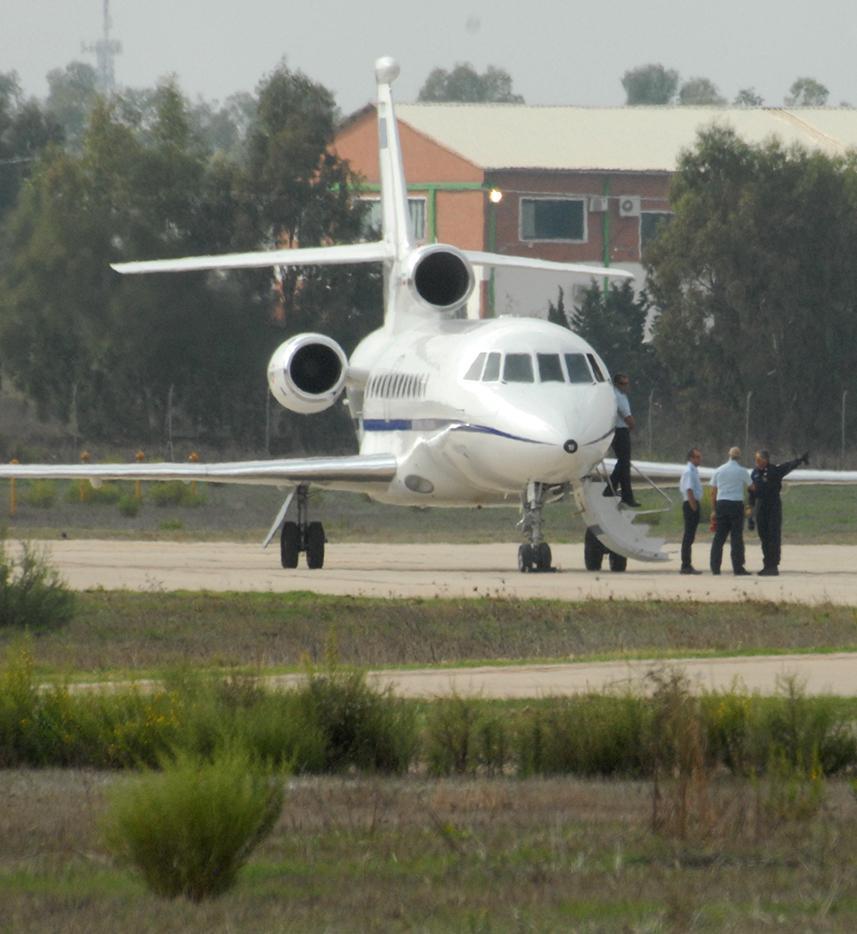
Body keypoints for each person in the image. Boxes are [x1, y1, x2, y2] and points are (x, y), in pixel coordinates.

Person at [749, 449, 809, 576]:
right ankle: (767, 564)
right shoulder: (754, 473)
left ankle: (773, 566)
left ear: (765, 460)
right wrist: (750, 515)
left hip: (773, 507)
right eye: (756, 460)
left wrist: (800, 460)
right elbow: (752, 494)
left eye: (759, 460)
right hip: (761, 507)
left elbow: (788, 466)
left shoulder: (774, 470)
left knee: (773, 536)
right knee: (764, 537)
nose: (757, 462)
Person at [709, 446, 751, 576]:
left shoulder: (719, 470)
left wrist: (714, 509)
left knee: (719, 537)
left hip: (722, 504)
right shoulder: (742, 471)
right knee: (736, 538)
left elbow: (713, 492)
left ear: (729, 455)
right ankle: (738, 568)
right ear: (739, 457)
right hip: (736, 505)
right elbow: (752, 486)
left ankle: (715, 567)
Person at [604, 373, 640, 507]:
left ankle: (621, 492)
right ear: (617, 384)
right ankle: (613, 489)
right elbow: (627, 417)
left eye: (627, 383)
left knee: (623, 463)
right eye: (623, 384)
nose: (626, 386)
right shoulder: (618, 397)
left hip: (618, 431)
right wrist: (632, 426)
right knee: (624, 462)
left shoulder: (617, 395)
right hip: (620, 431)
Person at [679, 447, 703, 574]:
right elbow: (689, 490)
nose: (700, 459)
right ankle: (685, 565)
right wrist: (693, 506)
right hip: (690, 504)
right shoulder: (689, 471)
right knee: (688, 536)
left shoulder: (694, 471)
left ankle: (687, 563)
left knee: (690, 536)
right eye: (697, 457)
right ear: (691, 458)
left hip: (692, 503)